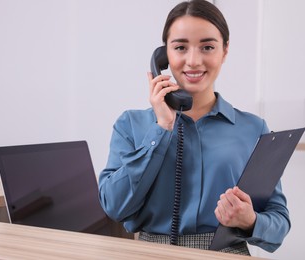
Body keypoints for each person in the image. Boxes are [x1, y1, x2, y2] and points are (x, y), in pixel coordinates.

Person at [98, 0, 290, 256]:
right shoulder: (130, 124)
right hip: (149, 253)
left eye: (208, 47)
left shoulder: (254, 128)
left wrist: (250, 220)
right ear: (164, 56)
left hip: (226, 253)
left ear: (225, 50)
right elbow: (114, 206)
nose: (193, 61)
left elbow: (279, 221)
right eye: (180, 47)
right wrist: (162, 128)